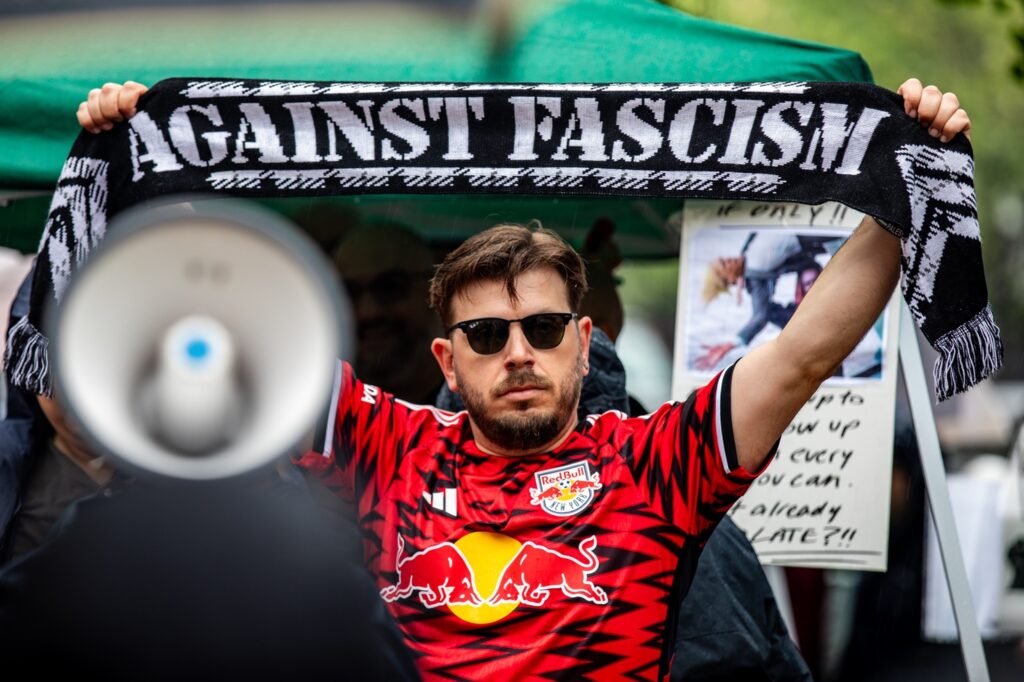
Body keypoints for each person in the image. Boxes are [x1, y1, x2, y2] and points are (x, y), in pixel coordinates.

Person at [72, 78, 970, 679]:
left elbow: (807, 348)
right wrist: (146, 163)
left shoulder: (657, 464)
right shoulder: (388, 444)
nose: (518, 352)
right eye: (488, 333)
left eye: (543, 328)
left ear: (584, 343)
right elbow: (224, 323)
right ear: (446, 360)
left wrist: (911, 170)